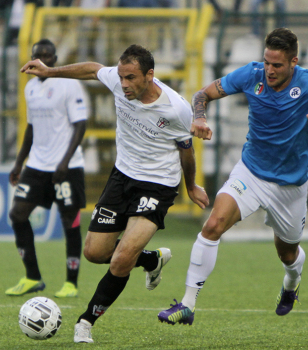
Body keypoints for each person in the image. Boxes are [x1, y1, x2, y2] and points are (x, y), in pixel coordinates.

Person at [158, 27, 308, 325]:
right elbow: (202, 94)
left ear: (293, 62)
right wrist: (199, 116)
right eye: (266, 62)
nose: (269, 70)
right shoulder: (251, 74)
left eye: (277, 65)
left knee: (287, 253)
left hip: (290, 186)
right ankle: (187, 305)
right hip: (251, 172)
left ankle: (290, 283)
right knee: (213, 225)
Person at [20, 43, 209, 343]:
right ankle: (150, 260)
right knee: (95, 253)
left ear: (149, 75)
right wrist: (49, 71)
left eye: (131, 78)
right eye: (121, 77)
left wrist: (191, 185)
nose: (123, 84)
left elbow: (186, 152)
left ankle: (85, 322)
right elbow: (93, 69)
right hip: (122, 178)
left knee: (121, 259)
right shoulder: (119, 83)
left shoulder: (176, 108)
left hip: (158, 186)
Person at [5, 39, 89, 299]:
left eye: (48, 55)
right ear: (31, 59)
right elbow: (31, 128)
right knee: (18, 214)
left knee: (69, 221)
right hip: (37, 165)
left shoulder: (69, 84)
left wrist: (65, 160)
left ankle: (71, 282)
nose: (43, 59)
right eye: (38, 56)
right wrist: (19, 163)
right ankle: (32, 277)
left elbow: (80, 124)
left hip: (67, 166)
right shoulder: (30, 88)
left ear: (55, 58)